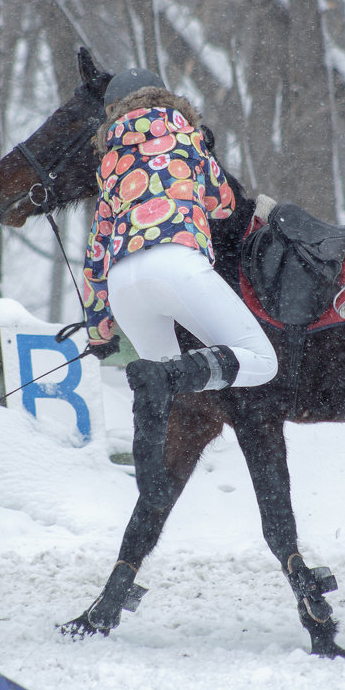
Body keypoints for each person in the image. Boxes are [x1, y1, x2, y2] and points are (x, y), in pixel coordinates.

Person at [82, 67, 278, 508]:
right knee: (263, 362)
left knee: (162, 394)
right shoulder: (187, 138)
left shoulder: (109, 163)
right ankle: (167, 373)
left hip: (123, 281)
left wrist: (99, 331)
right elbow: (224, 204)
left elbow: (96, 255)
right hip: (176, 264)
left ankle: (149, 478)